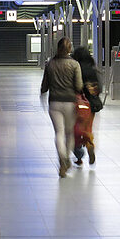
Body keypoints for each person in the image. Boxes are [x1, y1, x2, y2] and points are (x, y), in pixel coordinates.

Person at [41, 37, 83, 177]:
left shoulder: (50, 64)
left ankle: (62, 160)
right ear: (69, 48)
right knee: (69, 133)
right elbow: (78, 86)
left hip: (54, 102)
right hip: (70, 102)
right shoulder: (75, 64)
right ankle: (67, 158)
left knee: (59, 132)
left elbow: (44, 86)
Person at [72, 46, 101, 166]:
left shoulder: (76, 68)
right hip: (92, 105)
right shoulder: (93, 70)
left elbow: (75, 86)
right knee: (88, 128)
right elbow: (99, 88)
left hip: (78, 103)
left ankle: (79, 155)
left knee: (76, 129)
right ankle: (89, 145)